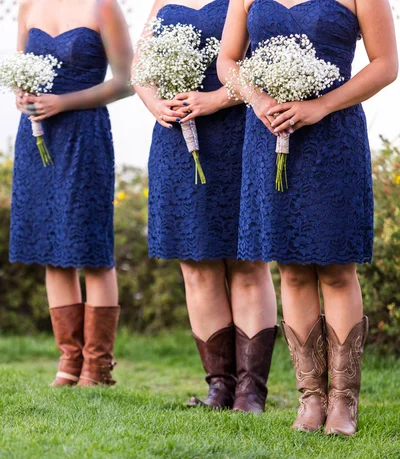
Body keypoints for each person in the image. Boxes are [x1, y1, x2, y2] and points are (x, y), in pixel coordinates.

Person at [218, 0, 398, 433]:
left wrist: (322, 106)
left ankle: (343, 403)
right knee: (292, 270)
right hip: (267, 133)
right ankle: (310, 401)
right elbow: (227, 60)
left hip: (334, 137)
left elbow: (386, 64)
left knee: (337, 269)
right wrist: (257, 99)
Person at [134, 0, 278, 413]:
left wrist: (216, 100)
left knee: (246, 260)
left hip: (239, 134)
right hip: (175, 139)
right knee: (195, 264)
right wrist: (154, 103)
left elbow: (265, 66)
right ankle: (219, 387)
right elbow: (139, 68)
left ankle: (251, 392)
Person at [11, 0, 133, 386]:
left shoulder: (103, 6)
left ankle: (97, 367)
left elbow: (126, 81)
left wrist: (62, 102)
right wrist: (21, 94)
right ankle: (69, 361)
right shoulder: (28, 6)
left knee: (91, 248)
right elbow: (19, 70)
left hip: (84, 135)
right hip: (37, 135)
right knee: (52, 248)